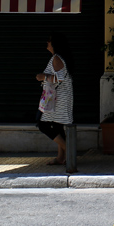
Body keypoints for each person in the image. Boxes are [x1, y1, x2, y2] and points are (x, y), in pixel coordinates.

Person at [36, 31, 74, 166]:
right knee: (57, 127)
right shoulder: (59, 57)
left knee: (42, 123)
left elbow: (60, 78)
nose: (47, 42)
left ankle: (68, 150)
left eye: (49, 40)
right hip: (61, 99)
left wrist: (43, 77)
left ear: (55, 44)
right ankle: (61, 158)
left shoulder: (57, 59)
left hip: (58, 100)